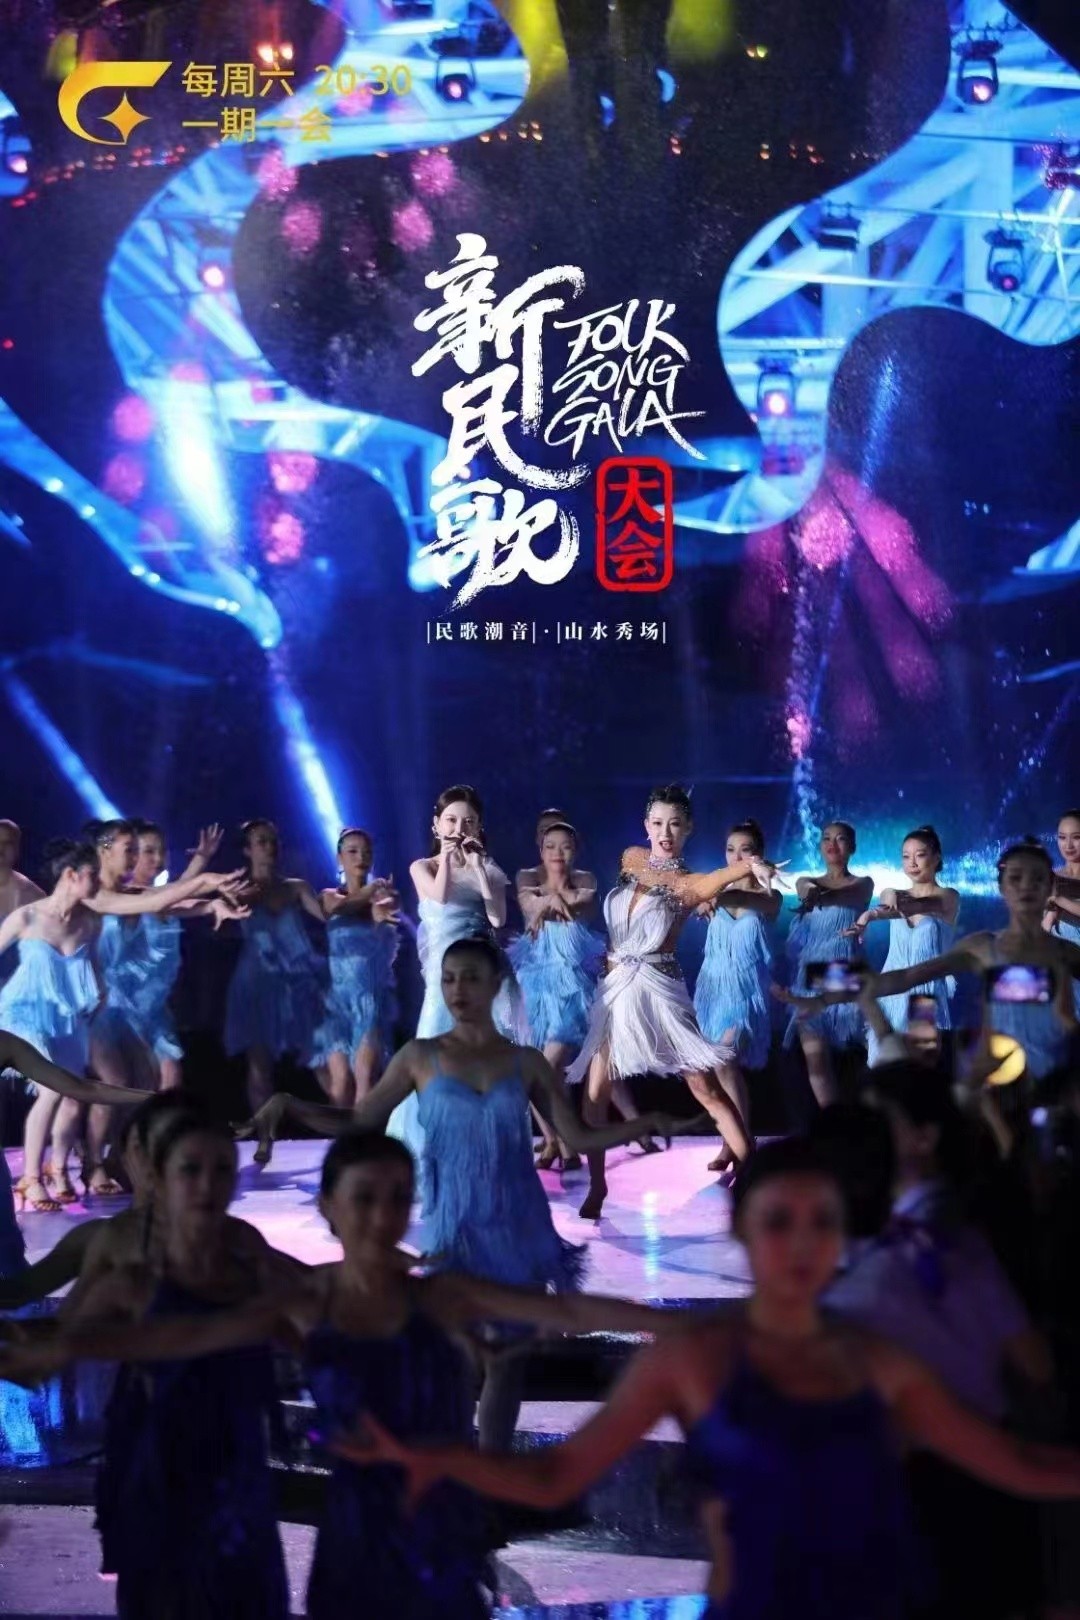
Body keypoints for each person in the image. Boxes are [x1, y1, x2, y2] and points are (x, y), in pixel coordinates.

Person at [334, 1137, 1080, 1620]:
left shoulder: (877, 1360)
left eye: (820, 1223)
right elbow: (557, 1475)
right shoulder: (692, 1358)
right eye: (778, 1222)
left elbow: (1018, 1464)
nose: (801, 1245)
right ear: (741, 1230)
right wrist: (437, 1458)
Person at [1, 1128, 696, 1619]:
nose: (382, 1215)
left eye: (397, 1197)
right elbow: (186, 1334)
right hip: (355, 1533)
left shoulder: (441, 1295)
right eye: (364, 1198)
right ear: (330, 1206)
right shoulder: (306, 1301)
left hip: (441, 1521)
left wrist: (676, 1327)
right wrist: (56, 1349)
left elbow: (569, 1308)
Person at [243, 935, 695, 1447]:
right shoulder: (420, 1057)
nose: (458, 990)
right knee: (456, 1359)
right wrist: (291, 1105)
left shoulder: (526, 1062)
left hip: (518, 1229)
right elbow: (360, 1121)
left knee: (507, 1364)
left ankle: (490, 1472)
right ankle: (452, 1470)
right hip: (454, 1229)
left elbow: (577, 1137)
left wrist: (642, 1124)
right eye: (449, 979)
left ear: (496, 984)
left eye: (471, 978)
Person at [566, 784, 773, 1219]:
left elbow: (715, 880)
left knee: (704, 1087)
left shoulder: (690, 884)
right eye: (658, 823)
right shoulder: (631, 858)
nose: (665, 833)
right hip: (617, 988)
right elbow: (638, 902)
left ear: (688, 829)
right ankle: (598, 1186)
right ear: (646, 826)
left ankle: (755, 1176)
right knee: (594, 1094)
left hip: (660, 988)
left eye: (675, 824)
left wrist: (750, 866)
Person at [0, 839, 235, 1208]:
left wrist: (205, 885)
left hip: (71, 1016)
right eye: (91, 875)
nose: (98, 883)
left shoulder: (91, 918)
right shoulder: (27, 917)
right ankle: (31, 1178)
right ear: (71, 875)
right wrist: (204, 880)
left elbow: (152, 904)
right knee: (51, 1090)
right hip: (25, 1013)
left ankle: (58, 1169)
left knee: (73, 1093)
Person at [387, 785, 525, 1161]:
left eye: (468, 822)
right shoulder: (423, 866)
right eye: (451, 820)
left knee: (490, 1059)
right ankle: (432, 1149)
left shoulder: (488, 868)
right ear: (436, 825)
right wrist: (448, 858)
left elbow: (497, 919)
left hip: (485, 969)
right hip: (445, 975)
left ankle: (486, 1146)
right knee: (436, 1056)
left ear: (479, 827)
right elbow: (440, 896)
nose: (459, 828)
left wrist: (478, 868)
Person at [511, 812, 638, 1171]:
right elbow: (528, 904)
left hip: (572, 987)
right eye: (550, 846)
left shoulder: (586, 879)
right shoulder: (526, 877)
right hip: (536, 985)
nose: (557, 852)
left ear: (576, 850)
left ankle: (571, 1143)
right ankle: (560, 1146)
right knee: (538, 1070)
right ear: (540, 848)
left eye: (565, 846)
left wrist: (550, 900)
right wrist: (546, 902)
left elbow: (579, 902)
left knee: (546, 1068)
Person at [693, 819, 782, 1172]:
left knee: (725, 1059)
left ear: (759, 855)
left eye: (746, 850)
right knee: (716, 1070)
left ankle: (736, 1143)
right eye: (731, 850)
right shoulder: (715, 889)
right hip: (712, 988)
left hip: (745, 992)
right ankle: (737, 1140)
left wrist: (709, 895)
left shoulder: (769, 896)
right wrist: (701, 900)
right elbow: (689, 898)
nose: (737, 857)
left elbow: (738, 897)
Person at [224, 818, 328, 1111]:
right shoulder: (235, 889)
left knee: (322, 1056)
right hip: (257, 982)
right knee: (260, 1065)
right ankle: (263, 1132)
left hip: (299, 980)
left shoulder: (296, 887)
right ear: (247, 850)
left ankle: (347, 1126)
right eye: (261, 841)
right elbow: (220, 924)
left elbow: (328, 919)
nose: (270, 847)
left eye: (273, 841)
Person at [845, 826, 960, 1065]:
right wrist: (870, 915)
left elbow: (920, 905)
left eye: (920, 855)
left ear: (936, 858)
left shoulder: (948, 897)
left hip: (925, 991)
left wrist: (876, 913)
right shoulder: (892, 893)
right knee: (883, 1063)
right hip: (892, 987)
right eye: (906, 856)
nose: (912, 863)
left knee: (921, 1067)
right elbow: (890, 904)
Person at [784, 820, 874, 1106]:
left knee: (869, 1055)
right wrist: (812, 891)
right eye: (826, 838)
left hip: (846, 975)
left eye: (841, 838)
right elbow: (805, 889)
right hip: (811, 977)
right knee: (816, 1062)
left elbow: (846, 895)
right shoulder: (805, 881)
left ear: (853, 847)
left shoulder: (863, 883)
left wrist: (819, 895)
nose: (833, 844)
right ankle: (834, 1123)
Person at [312, 828, 400, 1108]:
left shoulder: (382, 898)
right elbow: (343, 907)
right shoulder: (329, 896)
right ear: (339, 859)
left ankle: (363, 1133)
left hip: (369, 998)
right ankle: (341, 1134)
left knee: (365, 1076)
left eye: (366, 852)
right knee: (340, 1084)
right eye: (352, 851)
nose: (360, 857)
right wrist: (372, 890)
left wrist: (383, 909)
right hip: (335, 1002)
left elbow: (387, 920)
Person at [1046, 808, 1080, 1015]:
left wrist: (1059, 899)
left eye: (1076, 837)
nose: (1068, 845)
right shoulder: (1050, 877)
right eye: (1062, 837)